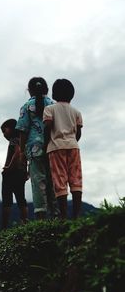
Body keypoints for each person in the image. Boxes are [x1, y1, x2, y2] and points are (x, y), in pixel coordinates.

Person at [16, 77, 58, 220]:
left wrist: (21, 152)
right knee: (53, 181)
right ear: (46, 89)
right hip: (53, 147)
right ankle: (56, 215)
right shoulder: (53, 104)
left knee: (38, 182)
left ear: (29, 91)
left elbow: (22, 130)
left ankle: (41, 216)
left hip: (35, 149)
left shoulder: (26, 106)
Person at [43, 78, 83, 219]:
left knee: (60, 181)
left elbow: (47, 128)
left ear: (54, 94)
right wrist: (71, 140)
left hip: (55, 147)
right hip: (73, 146)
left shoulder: (49, 109)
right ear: (72, 94)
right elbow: (78, 133)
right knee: (75, 179)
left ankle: (63, 216)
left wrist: (46, 144)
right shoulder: (76, 112)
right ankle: (76, 216)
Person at [1, 119, 28, 229]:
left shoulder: (13, 140)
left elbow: (17, 153)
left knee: (6, 200)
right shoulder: (22, 141)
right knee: (21, 198)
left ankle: (4, 227)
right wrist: (26, 171)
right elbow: (23, 156)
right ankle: (24, 223)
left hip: (11, 174)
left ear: (12, 128)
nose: (3, 134)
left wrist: (8, 167)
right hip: (21, 173)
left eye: (4, 130)